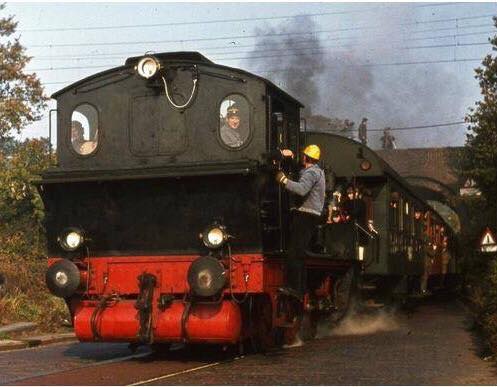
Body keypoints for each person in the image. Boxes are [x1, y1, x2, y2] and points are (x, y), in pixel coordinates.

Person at [275, 144, 326, 297]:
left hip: (305, 215)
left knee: (294, 253)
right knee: (300, 253)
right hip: (311, 214)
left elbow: (302, 189)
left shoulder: (311, 173)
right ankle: (300, 288)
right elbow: (300, 170)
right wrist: (289, 158)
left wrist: (284, 180)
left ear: (306, 157)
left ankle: (294, 288)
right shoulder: (317, 172)